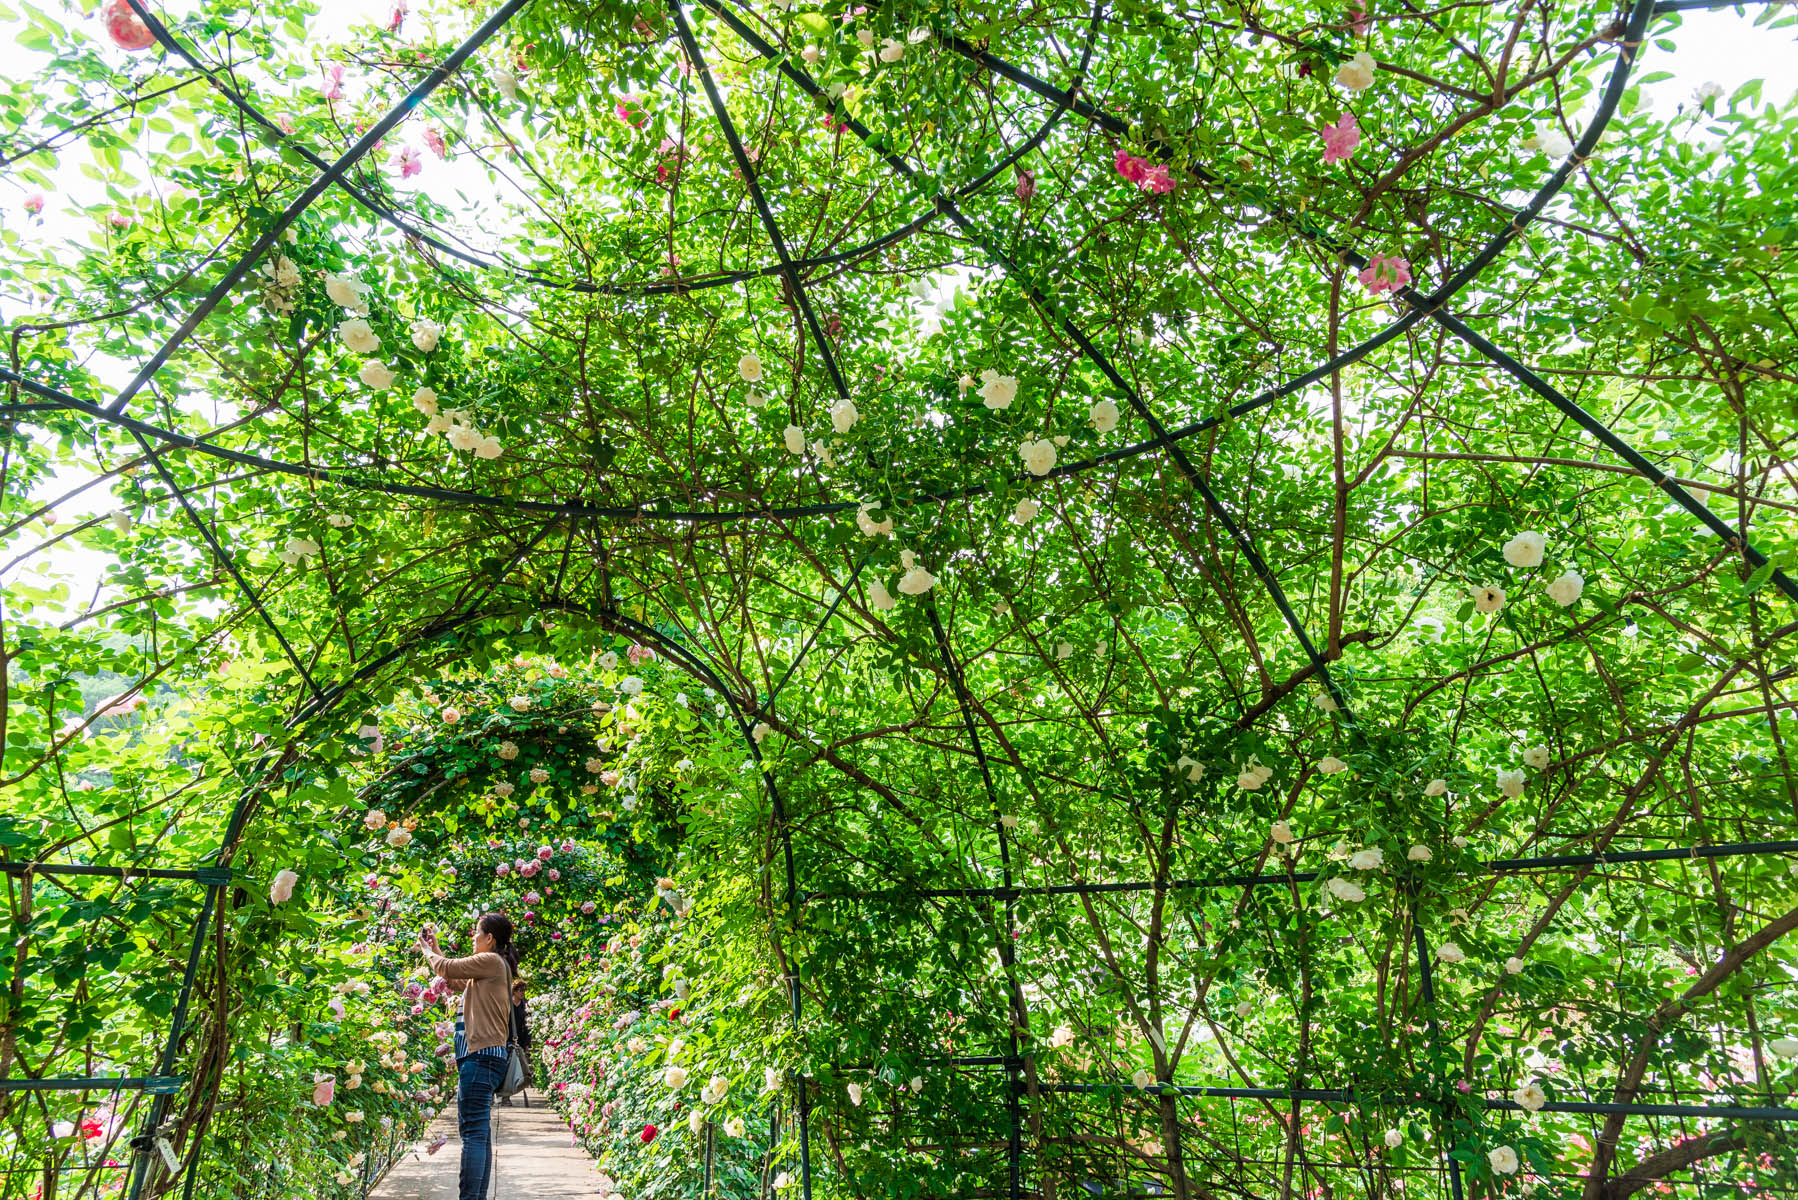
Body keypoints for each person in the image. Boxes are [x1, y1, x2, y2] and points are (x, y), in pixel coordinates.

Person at [416, 913, 518, 1200]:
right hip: (486, 1058)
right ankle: (476, 1197)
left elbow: (447, 968)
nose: (473, 937)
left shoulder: (490, 961)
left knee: (473, 1132)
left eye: (477, 933)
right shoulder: (491, 968)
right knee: (480, 1133)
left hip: (480, 1057)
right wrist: (435, 948)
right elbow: (456, 978)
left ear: (490, 939)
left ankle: (470, 1197)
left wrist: (425, 950)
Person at [498, 978, 531, 1107]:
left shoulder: (524, 1005)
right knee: (503, 1068)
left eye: (524, 990)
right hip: (505, 1040)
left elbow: (528, 1025)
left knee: (517, 1070)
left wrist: (526, 1044)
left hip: (519, 1042)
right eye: (520, 990)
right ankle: (501, 1096)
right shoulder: (507, 1003)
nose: (523, 993)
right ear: (515, 991)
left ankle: (506, 1095)